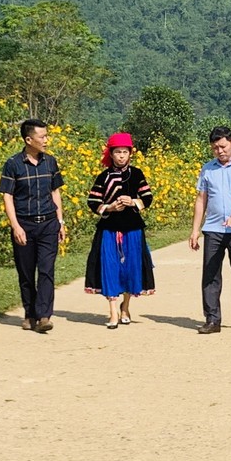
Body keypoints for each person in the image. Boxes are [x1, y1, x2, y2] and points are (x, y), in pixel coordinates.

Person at [0, 118, 66, 333]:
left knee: (47, 270)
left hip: (48, 223)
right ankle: (29, 313)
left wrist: (61, 221)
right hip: (24, 224)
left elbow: (55, 192)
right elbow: (7, 196)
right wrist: (16, 226)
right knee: (26, 272)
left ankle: (45, 315)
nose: (46, 140)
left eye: (46, 136)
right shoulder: (13, 164)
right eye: (42, 137)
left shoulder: (50, 162)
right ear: (29, 139)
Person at [83, 132, 155, 329]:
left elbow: (147, 197)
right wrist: (111, 207)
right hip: (109, 229)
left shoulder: (137, 174)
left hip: (132, 228)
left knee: (131, 268)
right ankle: (113, 312)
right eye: (117, 152)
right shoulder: (103, 176)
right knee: (110, 267)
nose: (121, 156)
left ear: (130, 154)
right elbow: (93, 201)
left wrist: (132, 201)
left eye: (125, 152)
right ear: (111, 154)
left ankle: (126, 307)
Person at [190, 125, 231, 334]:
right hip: (213, 229)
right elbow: (201, 199)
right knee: (210, 275)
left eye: (223, 146)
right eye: (215, 148)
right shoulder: (207, 169)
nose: (220, 151)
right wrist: (195, 230)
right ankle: (212, 319)